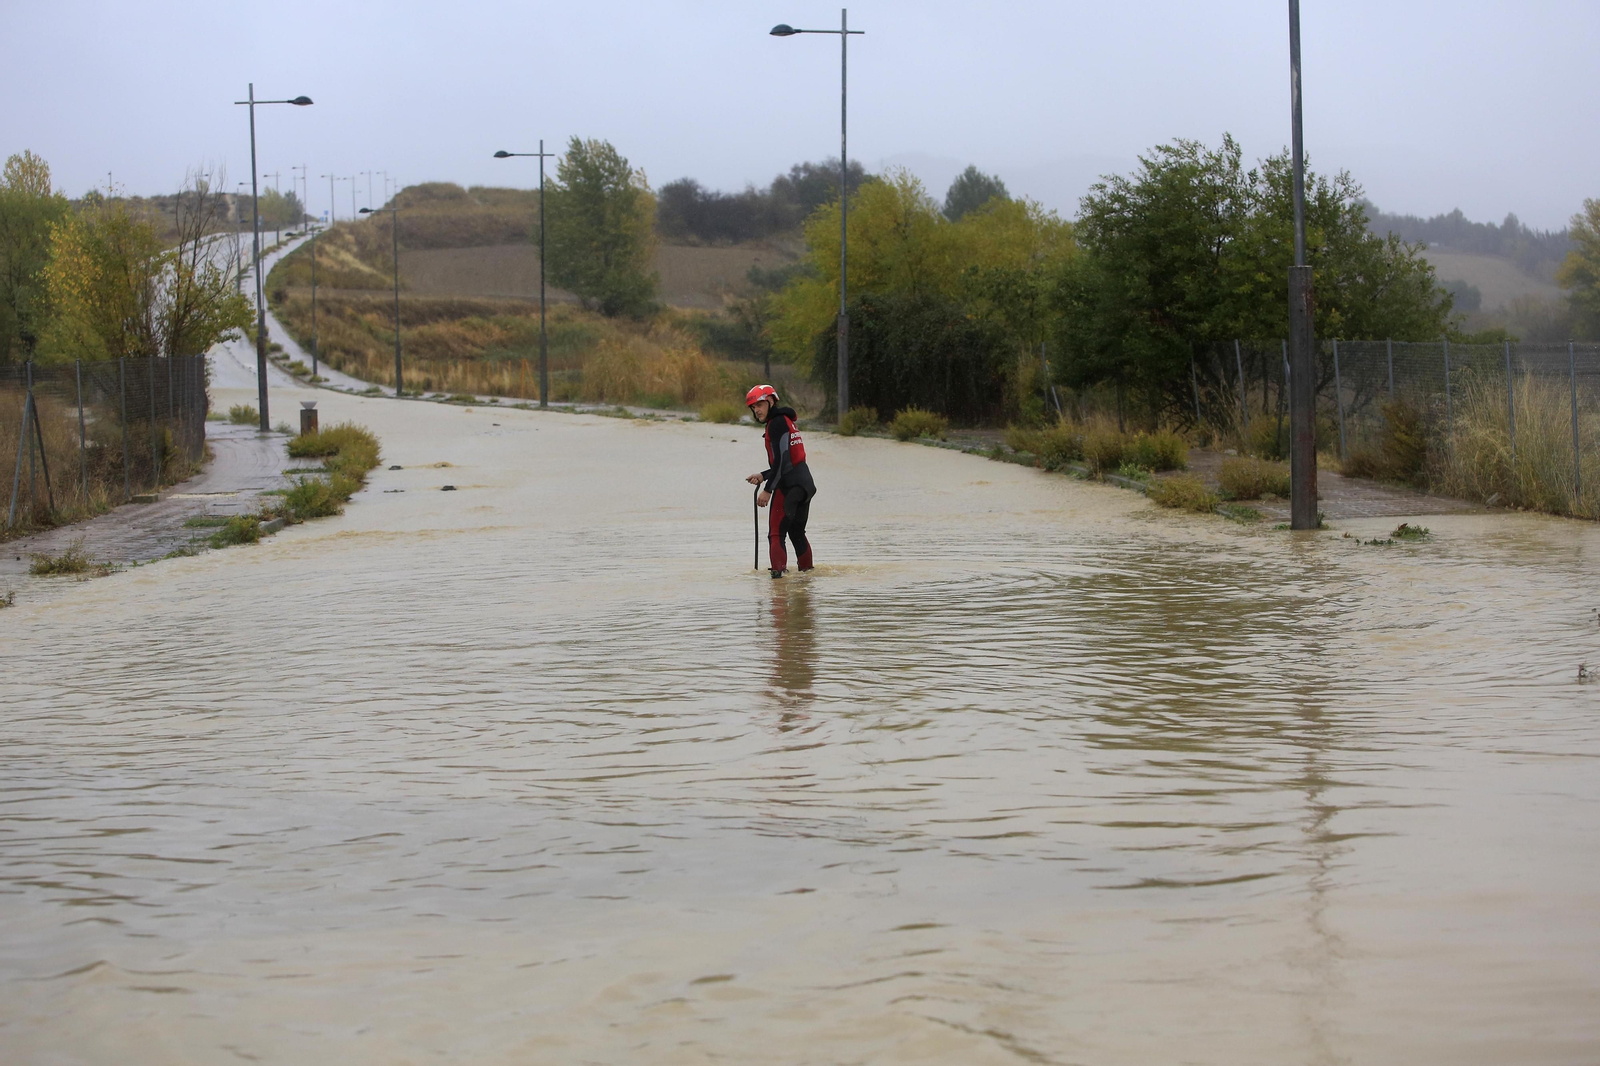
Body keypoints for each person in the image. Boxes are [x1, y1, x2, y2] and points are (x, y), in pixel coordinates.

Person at [744, 384, 816, 579]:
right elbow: (789, 460)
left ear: (771, 401)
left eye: (759, 404)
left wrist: (768, 489)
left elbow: (782, 460)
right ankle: (807, 579)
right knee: (796, 532)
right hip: (805, 484)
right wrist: (764, 474)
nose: (756, 410)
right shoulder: (786, 421)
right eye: (753, 407)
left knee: (776, 534)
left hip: (789, 485)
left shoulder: (776, 423)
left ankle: (778, 583)